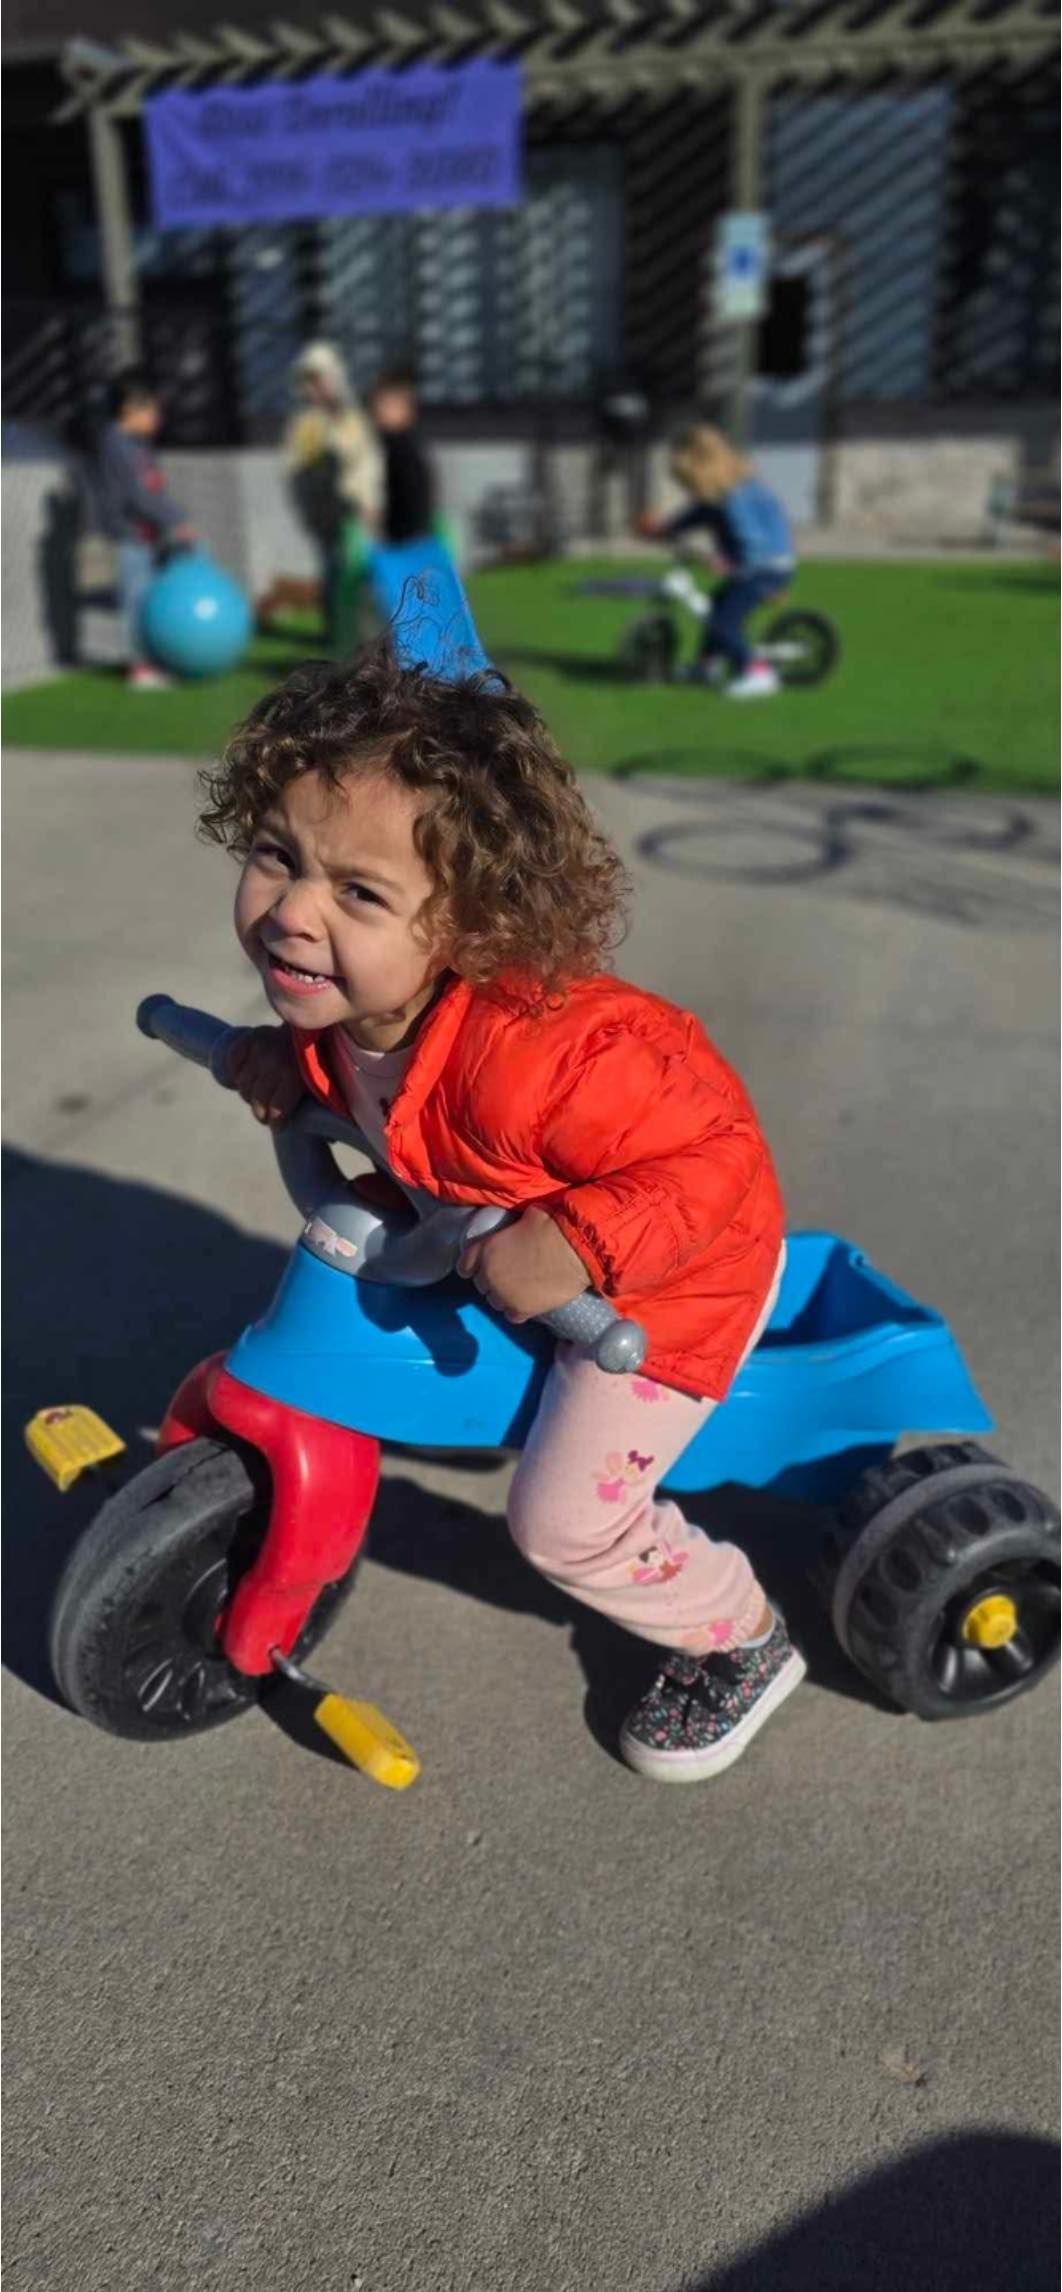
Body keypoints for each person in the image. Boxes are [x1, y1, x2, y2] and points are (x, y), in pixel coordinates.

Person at [198, 646, 805, 1782]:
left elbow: (712, 1158)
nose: (290, 912)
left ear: (471, 930)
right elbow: (360, 1076)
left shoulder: (553, 1063)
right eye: (278, 857)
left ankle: (740, 1636)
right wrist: (281, 1062)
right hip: (484, 1217)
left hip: (668, 1284)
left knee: (563, 1523)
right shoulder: (356, 1000)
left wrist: (578, 1244)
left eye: (358, 892)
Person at [641, 423, 795, 699]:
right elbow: (696, 515)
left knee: (724, 623)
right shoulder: (720, 495)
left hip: (763, 568)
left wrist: (730, 563)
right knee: (717, 607)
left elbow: (753, 541)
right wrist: (664, 530)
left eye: (689, 484)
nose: (689, 490)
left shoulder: (736, 498)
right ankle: (706, 666)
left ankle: (758, 672)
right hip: (756, 567)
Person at [95, 370, 195, 689]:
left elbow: (153, 488)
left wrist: (169, 517)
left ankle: (154, 658)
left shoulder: (137, 445)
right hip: (131, 534)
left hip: (148, 534)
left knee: (150, 598)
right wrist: (175, 519)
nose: (157, 417)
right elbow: (137, 494)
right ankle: (139, 667)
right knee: (135, 599)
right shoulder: (115, 443)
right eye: (150, 409)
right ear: (128, 410)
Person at [284, 342, 382, 656]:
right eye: (310, 380)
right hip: (327, 511)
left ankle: (363, 632)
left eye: (321, 378)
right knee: (334, 570)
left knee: (362, 571)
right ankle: (339, 635)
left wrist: (371, 504)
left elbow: (368, 462)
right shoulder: (306, 424)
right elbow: (300, 470)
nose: (317, 386)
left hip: (360, 507)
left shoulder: (353, 416)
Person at [369, 367, 436, 547]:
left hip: (404, 541)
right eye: (381, 404)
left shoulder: (406, 448)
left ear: (408, 410)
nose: (382, 410)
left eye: (391, 405)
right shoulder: (378, 444)